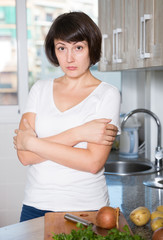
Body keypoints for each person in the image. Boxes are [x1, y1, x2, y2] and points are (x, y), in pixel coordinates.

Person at [13, 11, 121, 222]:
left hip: (86, 208)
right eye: (61, 48)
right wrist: (78, 133)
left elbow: (92, 162)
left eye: (78, 48)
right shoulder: (39, 89)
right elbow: (24, 156)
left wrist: (32, 142)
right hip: (35, 205)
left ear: (92, 48)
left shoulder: (107, 94)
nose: (69, 58)